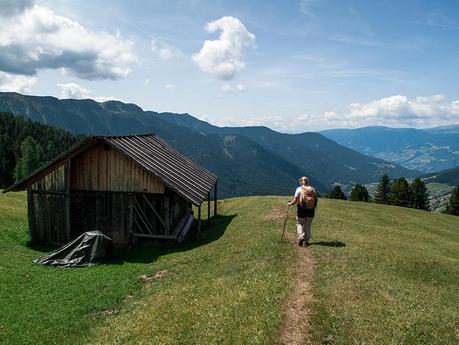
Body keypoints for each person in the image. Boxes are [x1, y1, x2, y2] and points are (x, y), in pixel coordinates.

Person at [288, 176, 318, 246]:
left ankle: (301, 237)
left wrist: (289, 203)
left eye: (300, 181)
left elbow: (295, 201)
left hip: (301, 210)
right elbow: (316, 201)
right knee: (308, 225)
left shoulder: (299, 189)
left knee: (300, 223)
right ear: (307, 182)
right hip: (311, 210)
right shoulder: (312, 189)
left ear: (301, 182)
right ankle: (307, 241)